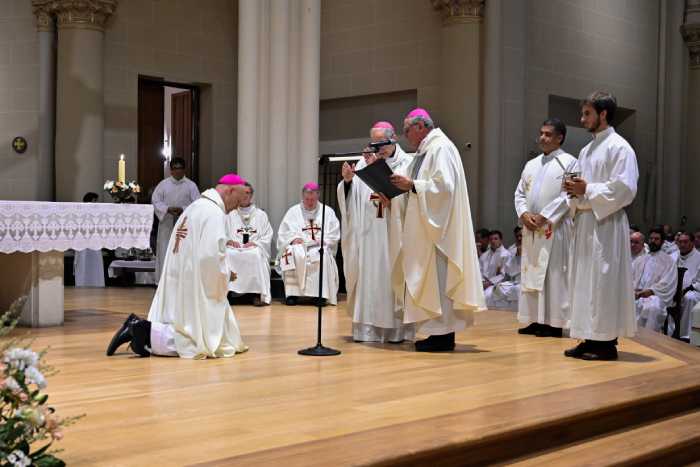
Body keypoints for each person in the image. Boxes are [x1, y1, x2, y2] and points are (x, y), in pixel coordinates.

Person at [106, 174, 249, 359]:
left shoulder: (195, 207)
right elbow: (211, 256)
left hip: (180, 274)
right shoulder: (214, 213)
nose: (237, 207)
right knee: (192, 339)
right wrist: (226, 273)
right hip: (194, 280)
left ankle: (141, 332)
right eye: (238, 200)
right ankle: (139, 329)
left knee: (183, 325)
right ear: (229, 191)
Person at [387, 108, 485, 351]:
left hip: (439, 232)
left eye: (407, 129)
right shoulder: (424, 151)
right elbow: (413, 188)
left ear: (421, 127)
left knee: (439, 281)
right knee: (431, 281)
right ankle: (437, 332)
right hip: (425, 229)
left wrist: (412, 185)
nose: (405, 134)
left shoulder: (441, 147)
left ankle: (443, 334)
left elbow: (444, 189)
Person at [563, 91, 638, 361]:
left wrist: (587, 189)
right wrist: (571, 189)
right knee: (584, 282)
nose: (582, 119)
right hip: (585, 223)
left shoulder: (620, 148)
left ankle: (606, 343)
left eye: (587, 114)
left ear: (603, 114)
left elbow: (625, 189)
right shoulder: (586, 149)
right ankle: (588, 336)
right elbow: (581, 186)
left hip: (606, 224)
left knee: (602, 283)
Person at [337, 121, 415, 343]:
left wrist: (386, 189)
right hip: (368, 236)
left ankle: (396, 332)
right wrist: (348, 181)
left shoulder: (406, 164)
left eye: (381, 143)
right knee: (369, 279)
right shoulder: (363, 162)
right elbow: (351, 202)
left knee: (393, 278)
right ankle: (367, 331)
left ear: (393, 140)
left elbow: (412, 199)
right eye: (374, 143)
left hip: (393, 236)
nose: (377, 148)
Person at [515, 118, 576, 338]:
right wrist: (524, 214)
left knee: (553, 274)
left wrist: (544, 216)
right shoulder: (531, 164)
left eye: (548, 134)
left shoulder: (571, 163)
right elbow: (519, 192)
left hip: (554, 228)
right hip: (531, 228)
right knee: (530, 271)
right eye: (541, 133)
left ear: (560, 138)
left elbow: (570, 195)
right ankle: (534, 319)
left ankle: (553, 322)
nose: (542, 137)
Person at [277, 183, 340, 306]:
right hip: (299, 246)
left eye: (313, 199)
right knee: (292, 252)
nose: (310, 202)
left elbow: (334, 233)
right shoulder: (293, 211)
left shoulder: (327, 212)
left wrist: (324, 240)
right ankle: (292, 294)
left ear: (318, 196)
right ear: (302, 196)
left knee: (321, 254)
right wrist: (294, 239)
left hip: (319, 246)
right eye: (307, 199)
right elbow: (284, 232)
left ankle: (319, 295)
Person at [151, 157, 200, 283]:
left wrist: (183, 209)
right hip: (167, 222)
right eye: (175, 169)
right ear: (171, 170)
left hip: (185, 224)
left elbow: (198, 203)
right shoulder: (163, 184)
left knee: (184, 251)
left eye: (180, 168)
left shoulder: (191, 185)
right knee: (165, 249)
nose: (178, 171)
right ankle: (163, 281)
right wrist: (167, 209)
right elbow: (155, 201)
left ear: (184, 170)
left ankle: (184, 281)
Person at [225, 182, 273, 306]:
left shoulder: (261, 215)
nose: (245, 196)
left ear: (251, 195)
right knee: (229, 254)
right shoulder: (230, 214)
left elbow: (267, 236)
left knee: (255, 254)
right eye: (242, 193)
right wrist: (228, 241)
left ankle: (256, 294)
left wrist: (255, 243)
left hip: (254, 248)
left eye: (247, 193)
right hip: (234, 248)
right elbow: (222, 233)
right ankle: (230, 292)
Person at [631, 229, 677, 332]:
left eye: (656, 239)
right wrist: (634, 290)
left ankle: (648, 339)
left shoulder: (668, 261)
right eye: (651, 238)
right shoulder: (641, 259)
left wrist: (650, 291)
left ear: (662, 241)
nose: (653, 241)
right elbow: (631, 279)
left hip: (656, 295)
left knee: (653, 308)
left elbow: (668, 283)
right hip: (637, 294)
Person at [485, 227, 522, 311]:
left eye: (521, 236)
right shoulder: (513, 251)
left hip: (525, 282)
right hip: (514, 282)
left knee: (515, 290)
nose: (519, 238)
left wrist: (490, 282)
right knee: (498, 289)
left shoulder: (505, 253)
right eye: (517, 236)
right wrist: (517, 255)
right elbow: (511, 271)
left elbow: (503, 274)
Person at [73, 192, 105, 287]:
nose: (96, 203)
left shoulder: (98, 213)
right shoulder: (79, 213)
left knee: (95, 266)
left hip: (95, 243)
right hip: (82, 243)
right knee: (82, 264)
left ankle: (97, 284)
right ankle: (81, 284)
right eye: (95, 201)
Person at [676, 231, 700, 340]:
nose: (682, 244)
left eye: (685, 242)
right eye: (680, 242)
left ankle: (685, 334)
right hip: (674, 290)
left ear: (692, 242)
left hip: (693, 291)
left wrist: (685, 290)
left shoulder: (698, 257)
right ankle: (669, 330)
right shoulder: (673, 256)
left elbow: (698, 282)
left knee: (689, 298)